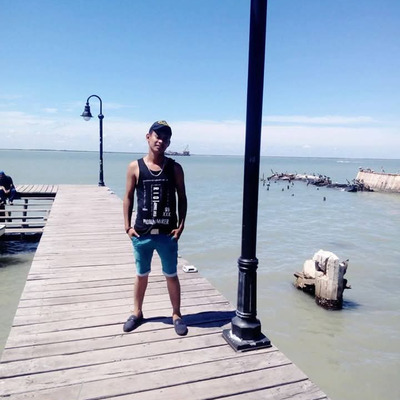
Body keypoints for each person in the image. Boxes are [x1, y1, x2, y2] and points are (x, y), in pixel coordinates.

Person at [123, 120, 188, 336]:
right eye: (157, 136)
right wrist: (127, 227)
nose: (161, 141)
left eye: (166, 138)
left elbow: (182, 197)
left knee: (171, 274)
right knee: (141, 274)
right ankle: (137, 312)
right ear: (148, 137)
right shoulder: (135, 167)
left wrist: (181, 226)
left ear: (169, 142)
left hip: (167, 235)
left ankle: (176, 314)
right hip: (142, 234)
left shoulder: (175, 168)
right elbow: (128, 197)